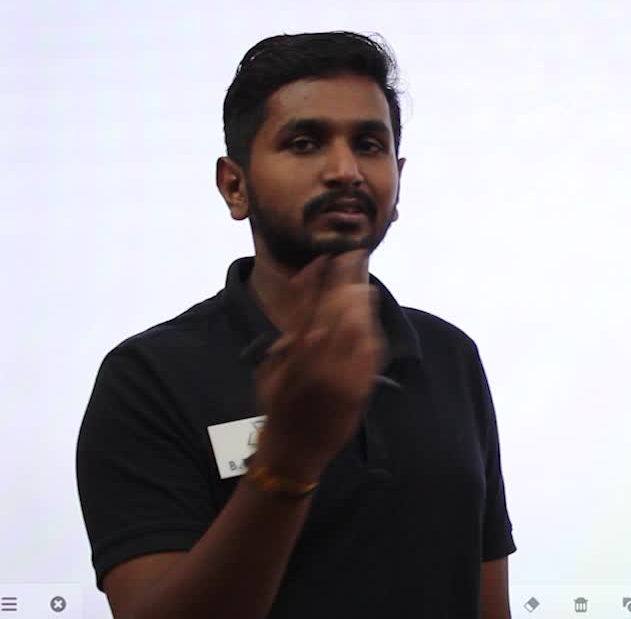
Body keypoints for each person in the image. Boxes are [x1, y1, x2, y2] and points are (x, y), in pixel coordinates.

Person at [75, 31, 516, 619]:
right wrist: (287, 460)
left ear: (398, 178)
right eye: (305, 143)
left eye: (369, 145)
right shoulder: (148, 379)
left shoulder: (449, 355)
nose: (345, 170)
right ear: (235, 186)